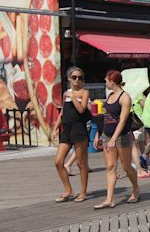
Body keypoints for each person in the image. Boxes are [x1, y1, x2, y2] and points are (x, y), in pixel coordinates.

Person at [94, 70, 139, 209]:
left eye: (106, 80)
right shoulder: (110, 96)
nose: (105, 82)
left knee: (126, 166)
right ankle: (109, 199)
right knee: (110, 167)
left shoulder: (125, 97)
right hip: (107, 134)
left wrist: (114, 138)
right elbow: (105, 118)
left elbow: (123, 120)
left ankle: (135, 189)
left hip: (121, 136)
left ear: (112, 81)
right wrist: (98, 134)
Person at [52, 67, 90, 203]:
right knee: (58, 161)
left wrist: (74, 97)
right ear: (69, 79)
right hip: (66, 130)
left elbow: (81, 109)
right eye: (74, 77)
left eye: (80, 78)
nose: (77, 80)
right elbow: (62, 112)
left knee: (81, 163)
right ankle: (68, 190)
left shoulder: (84, 92)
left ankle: (83, 192)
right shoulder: (65, 93)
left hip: (79, 129)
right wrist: (55, 128)